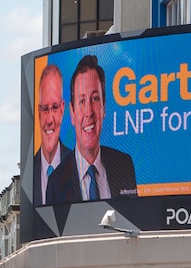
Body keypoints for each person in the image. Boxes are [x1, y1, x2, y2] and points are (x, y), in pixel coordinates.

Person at [46, 54, 137, 203]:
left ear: (104, 107)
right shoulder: (56, 182)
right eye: (82, 101)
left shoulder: (124, 165)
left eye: (95, 99)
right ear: (72, 113)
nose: (88, 112)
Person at [34, 63, 71, 205]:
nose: (49, 120)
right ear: (38, 112)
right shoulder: (30, 172)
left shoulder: (77, 167)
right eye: (44, 109)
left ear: (62, 110)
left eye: (54, 108)